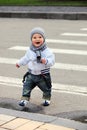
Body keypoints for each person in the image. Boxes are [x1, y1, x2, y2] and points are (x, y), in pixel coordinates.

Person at [16, 27, 55, 107]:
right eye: (34, 37)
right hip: (31, 74)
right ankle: (24, 99)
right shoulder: (30, 50)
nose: (37, 39)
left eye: (40, 37)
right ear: (31, 39)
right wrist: (19, 63)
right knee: (26, 86)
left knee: (46, 88)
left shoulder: (47, 51)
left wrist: (46, 61)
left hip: (43, 75)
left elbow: (52, 61)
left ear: (43, 39)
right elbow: (25, 58)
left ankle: (46, 98)